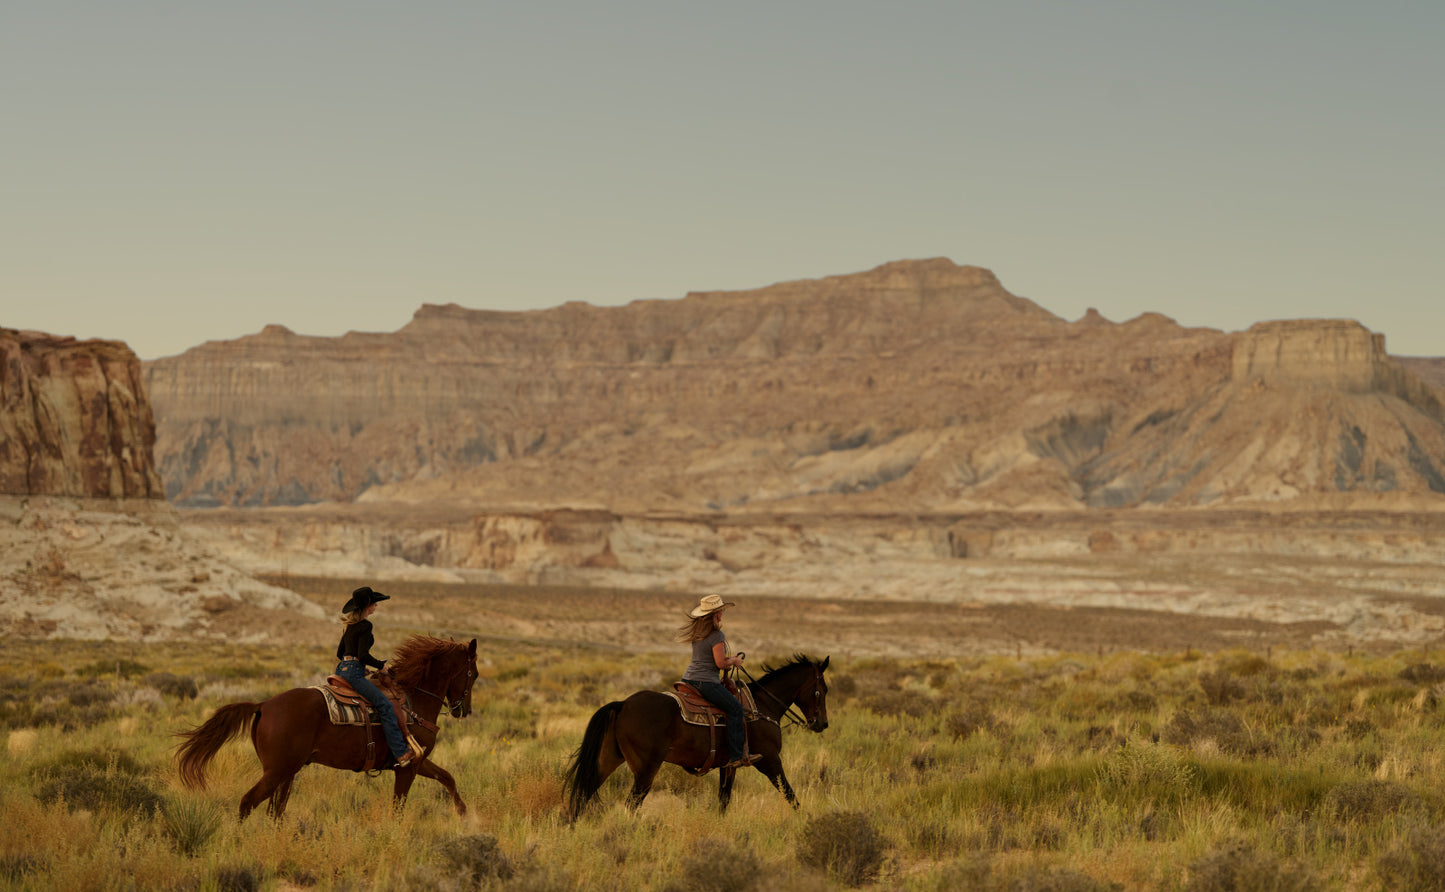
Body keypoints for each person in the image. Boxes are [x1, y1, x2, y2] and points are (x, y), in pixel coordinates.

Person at [336, 585, 415, 768]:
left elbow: (341, 653)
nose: (376, 606)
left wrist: (357, 665)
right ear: (367, 605)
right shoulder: (365, 625)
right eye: (374, 603)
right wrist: (381, 665)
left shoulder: (349, 626)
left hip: (342, 670)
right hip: (354, 673)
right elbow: (363, 655)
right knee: (385, 706)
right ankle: (401, 753)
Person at [679, 594, 759, 769]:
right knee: (736, 709)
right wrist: (734, 661)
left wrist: (728, 659)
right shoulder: (716, 635)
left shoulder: (698, 632)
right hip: (706, 682)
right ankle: (737, 755)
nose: (722, 614)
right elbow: (720, 663)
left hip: (688, 679)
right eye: (720, 611)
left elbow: (710, 657)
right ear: (714, 614)